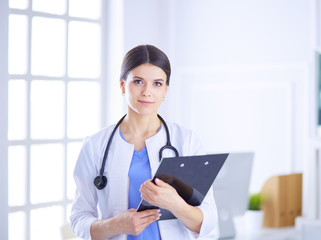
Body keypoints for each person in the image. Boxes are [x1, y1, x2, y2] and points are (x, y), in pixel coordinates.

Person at [70, 45, 218, 240]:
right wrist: (115, 225)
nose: (147, 92)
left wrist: (175, 203)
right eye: (138, 81)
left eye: (157, 83)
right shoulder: (95, 145)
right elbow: (79, 219)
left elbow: (208, 221)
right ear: (123, 85)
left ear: (165, 90)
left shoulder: (186, 141)